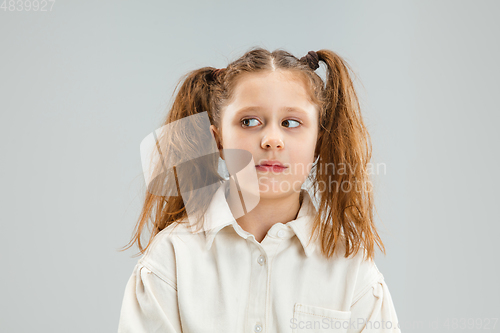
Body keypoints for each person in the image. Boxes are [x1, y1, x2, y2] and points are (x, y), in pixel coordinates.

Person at [117, 47, 401, 332]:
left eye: (291, 123)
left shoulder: (350, 268)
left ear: (319, 143)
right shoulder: (172, 258)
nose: (272, 140)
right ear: (218, 141)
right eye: (249, 122)